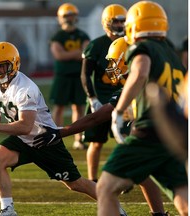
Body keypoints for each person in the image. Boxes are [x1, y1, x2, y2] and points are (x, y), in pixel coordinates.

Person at [0, 41, 127, 216]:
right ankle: (7, 209)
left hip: (44, 138)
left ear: (14, 65)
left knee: (75, 184)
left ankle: (117, 209)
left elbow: (25, 125)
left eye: (2, 66)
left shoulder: (25, 89)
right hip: (23, 140)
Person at [34, 37, 169, 216]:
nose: (111, 67)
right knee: (151, 176)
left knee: (106, 186)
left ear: (128, 59)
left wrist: (62, 132)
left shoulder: (137, 85)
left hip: (165, 138)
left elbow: (96, 118)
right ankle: (159, 213)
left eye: (115, 61)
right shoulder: (157, 76)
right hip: (173, 137)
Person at [96, 1, 188, 215]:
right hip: (174, 133)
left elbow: (140, 72)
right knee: (184, 201)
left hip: (150, 131)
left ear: (134, 25)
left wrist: (119, 110)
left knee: (105, 187)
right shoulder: (172, 54)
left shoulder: (142, 46)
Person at [80, 4, 127, 182]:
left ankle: (126, 178)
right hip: (101, 97)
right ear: (106, 22)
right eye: (116, 20)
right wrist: (92, 98)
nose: (120, 24)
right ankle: (93, 179)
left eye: (123, 20)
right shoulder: (96, 45)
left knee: (126, 141)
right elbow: (85, 74)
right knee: (96, 141)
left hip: (124, 97)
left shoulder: (130, 42)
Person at [49, 3, 90, 150]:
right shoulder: (58, 36)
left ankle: (78, 139)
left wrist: (70, 54)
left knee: (79, 108)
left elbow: (87, 52)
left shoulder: (82, 35)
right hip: (63, 76)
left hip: (79, 76)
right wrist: (77, 54)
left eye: (71, 15)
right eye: (66, 16)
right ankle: (54, 137)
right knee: (59, 107)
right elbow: (59, 55)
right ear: (60, 18)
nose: (68, 18)